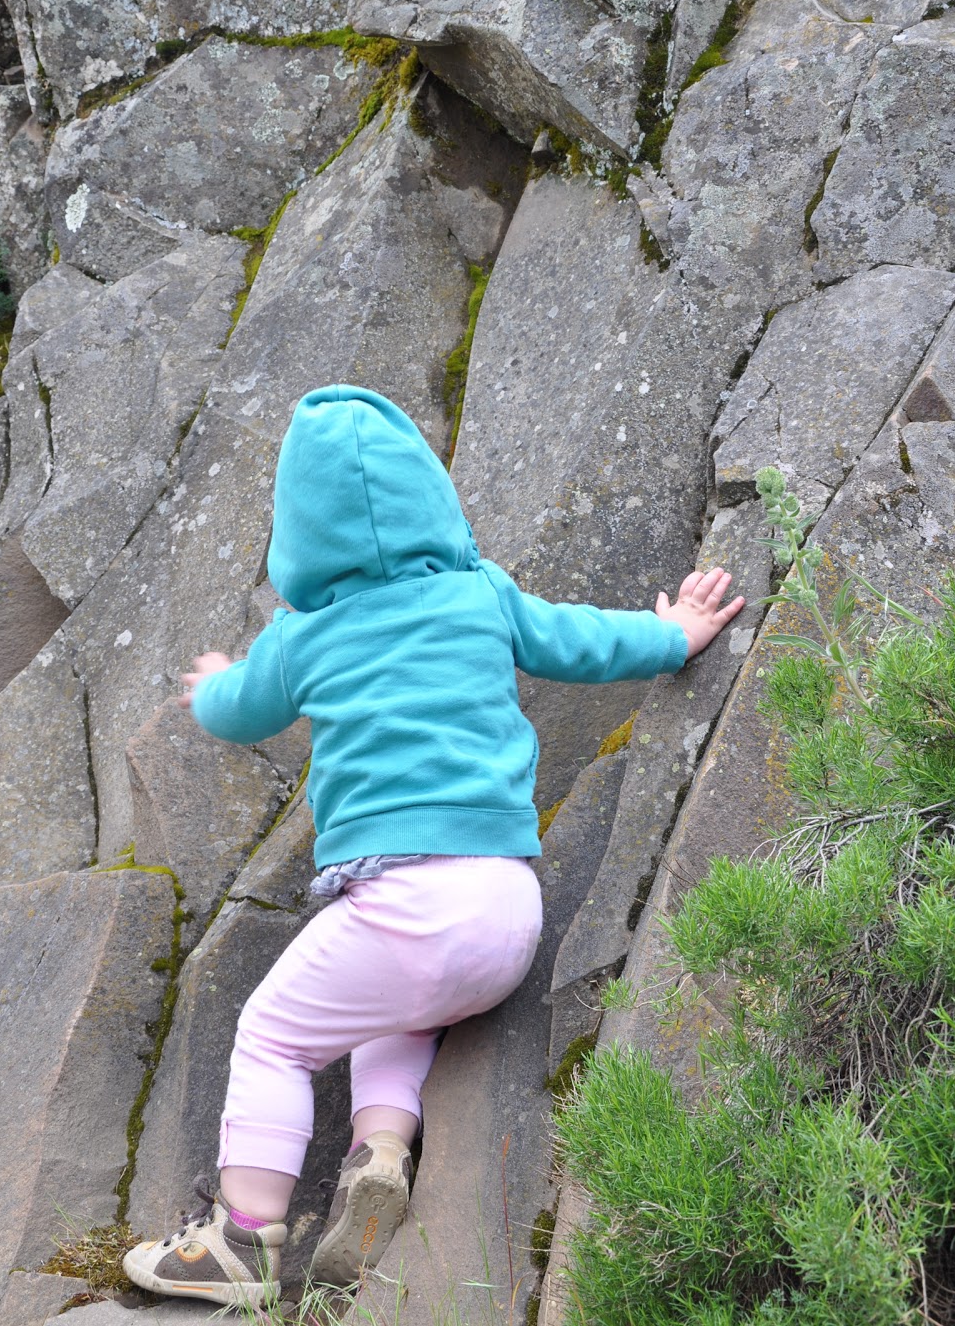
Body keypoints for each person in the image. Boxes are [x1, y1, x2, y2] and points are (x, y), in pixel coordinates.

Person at [123, 384, 744, 1307]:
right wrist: (674, 634)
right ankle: (378, 1152)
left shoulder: (305, 636)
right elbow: (579, 640)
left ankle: (242, 1244)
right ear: (430, 497)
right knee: (390, 1019)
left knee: (272, 1036)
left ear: (297, 534)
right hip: (504, 913)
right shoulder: (480, 593)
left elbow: (237, 709)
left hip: (400, 908)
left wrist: (213, 679)